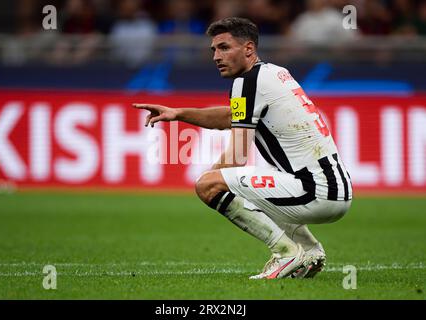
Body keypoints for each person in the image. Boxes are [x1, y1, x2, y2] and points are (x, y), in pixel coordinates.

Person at [133, 17, 352, 280]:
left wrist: (210, 186)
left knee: (209, 185)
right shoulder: (274, 73)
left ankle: (286, 252)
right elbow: (231, 117)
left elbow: (237, 155)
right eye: (213, 49)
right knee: (240, 183)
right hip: (334, 190)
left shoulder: (246, 82)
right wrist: (179, 113)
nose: (216, 56)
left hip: (314, 192)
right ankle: (309, 251)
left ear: (248, 49)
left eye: (224, 47)